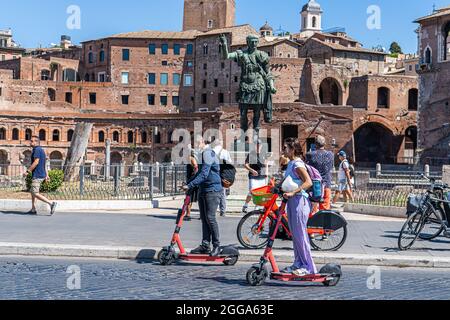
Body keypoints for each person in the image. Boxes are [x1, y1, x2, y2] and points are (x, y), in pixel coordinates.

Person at [182, 136, 223, 257]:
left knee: (210, 218)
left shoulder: (208, 153)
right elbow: (199, 173)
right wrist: (188, 184)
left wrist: (190, 186)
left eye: (196, 143)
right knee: (204, 218)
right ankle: (205, 245)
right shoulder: (202, 154)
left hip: (213, 190)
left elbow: (204, 174)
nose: (194, 146)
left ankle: (217, 246)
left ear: (202, 142)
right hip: (204, 189)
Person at [281, 138, 317, 276]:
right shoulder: (291, 163)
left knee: (301, 235)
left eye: (285, 147)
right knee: (295, 236)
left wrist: (293, 192)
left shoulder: (298, 164)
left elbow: (308, 182)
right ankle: (298, 263)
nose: (283, 150)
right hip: (291, 201)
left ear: (292, 149)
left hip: (299, 201)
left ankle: (308, 267)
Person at [25, 136, 57, 215]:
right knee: (33, 192)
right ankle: (33, 209)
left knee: (35, 193)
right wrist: (47, 175)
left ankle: (51, 204)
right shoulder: (41, 150)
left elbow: (36, 162)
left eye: (32, 141)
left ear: (36, 142)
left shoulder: (36, 150)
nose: (30, 142)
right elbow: (44, 163)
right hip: (41, 174)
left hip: (37, 175)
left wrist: (28, 171)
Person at [306, 135, 334, 212]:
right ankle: (324, 223)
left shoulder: (310, 154)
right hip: (326, 183)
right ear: (324, 143)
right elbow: (331, 166)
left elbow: (308, 169)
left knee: (312, 209)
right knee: (325, 209)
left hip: (314, 185)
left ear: (315, 144)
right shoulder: (330, 154)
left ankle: (312, 223)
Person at [242, 140, 268, 214]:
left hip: (262, 176)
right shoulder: (251, 154)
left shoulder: (264, 154)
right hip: (253, 175)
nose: (258, 146)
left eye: (259, 145)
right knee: (252, 191)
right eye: (256, 145)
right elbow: (245, 164)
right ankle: (245, 205)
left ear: (261, 145)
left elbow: (266, 164)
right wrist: (252, 170)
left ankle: (257, 207)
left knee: (260, 192)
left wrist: (266, 174)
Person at [210, 138, 233, 218]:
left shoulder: (211, 151)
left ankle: (212, 210)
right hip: (223, 174)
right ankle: (222, 211)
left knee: (212, 192)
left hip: (213, 174)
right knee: (222, 193)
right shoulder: (225, 152)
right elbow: (230, 163)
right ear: (220, 144)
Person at [185, 142, 200, 221]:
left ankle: (188, 214)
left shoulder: (191, 158)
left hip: (192, 180)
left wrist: (193, 176)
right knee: (198, 197)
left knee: (188, 197)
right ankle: (201, 214)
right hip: (195, 180)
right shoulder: (193, 157)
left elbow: (196, 167)